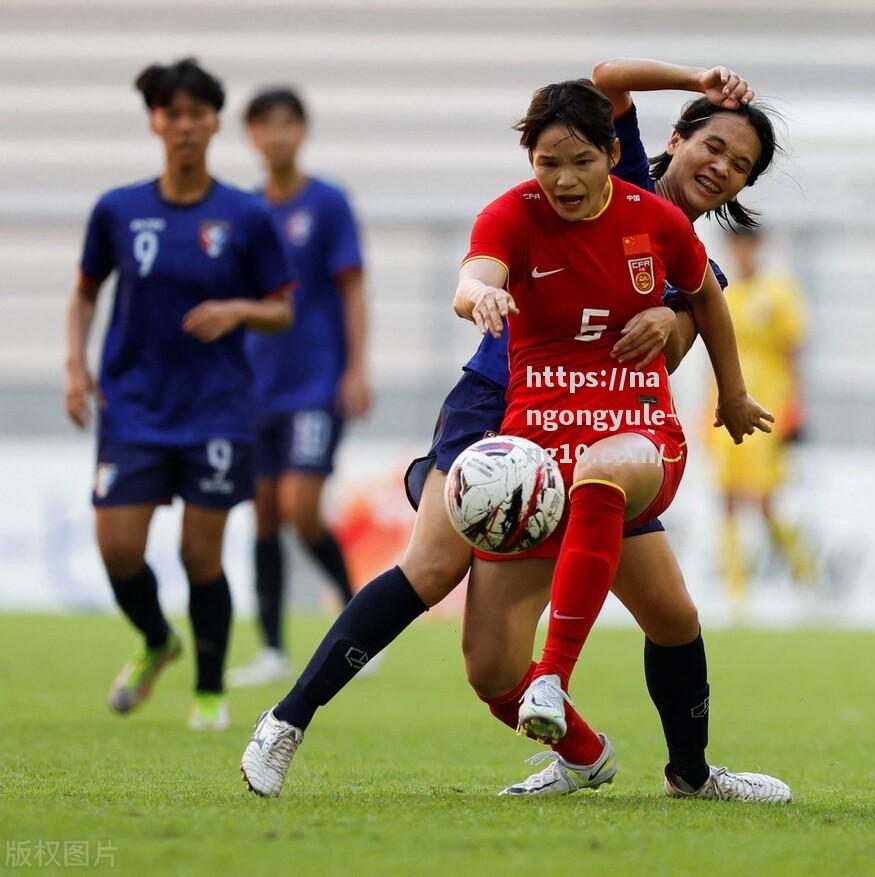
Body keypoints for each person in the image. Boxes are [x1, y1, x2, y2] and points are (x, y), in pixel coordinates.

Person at [243, 66, 789, 804]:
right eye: (714, 145)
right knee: (442, 583)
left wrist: (678, 322)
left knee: (672, 612)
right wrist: (698, 76)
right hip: (499, 405)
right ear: (674, 139)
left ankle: (686, 772)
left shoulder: (690, 260)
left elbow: (678, 341)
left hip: (602, 423)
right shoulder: (604, 168)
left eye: (741, 165)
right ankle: (287, 721)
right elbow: (603, 80)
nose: (721, 167)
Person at [66, 58, 294, 730]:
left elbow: (282, 309)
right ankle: (158, 640)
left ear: (216, 122)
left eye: (197, 113)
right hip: (133, 404)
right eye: (172, 113)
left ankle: (209, 692)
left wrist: (236, 310)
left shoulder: (246, 215)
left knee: (202, 554)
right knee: (119, 551)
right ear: (155, 122)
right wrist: (75, 370)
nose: (185, 125)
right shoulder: (117, 209)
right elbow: (83, 295)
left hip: (216, 407)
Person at [229, 87, 372, 688]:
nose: (277, 135)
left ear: (302, 131)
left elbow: (352, 290)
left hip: (314, 382)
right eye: (266, 125)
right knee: (262, 515)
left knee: (301, 509)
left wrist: (357, 368)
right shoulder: (242, 210)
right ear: (252, 135)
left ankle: (362, 625)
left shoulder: (328, 203)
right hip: (255, 385)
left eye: (288, 124)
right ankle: (271, 650)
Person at [710, 227, 815, 611]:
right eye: (734, 246)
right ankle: (736, 596)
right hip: (724, 411)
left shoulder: (779, 292)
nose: (740, 253)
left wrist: (796, 407)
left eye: (746, 245)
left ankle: (806, 575)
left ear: (757, 247)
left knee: (764, 501)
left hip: (768, 410)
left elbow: (793, 353)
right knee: (726, 500)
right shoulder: (726, 294)